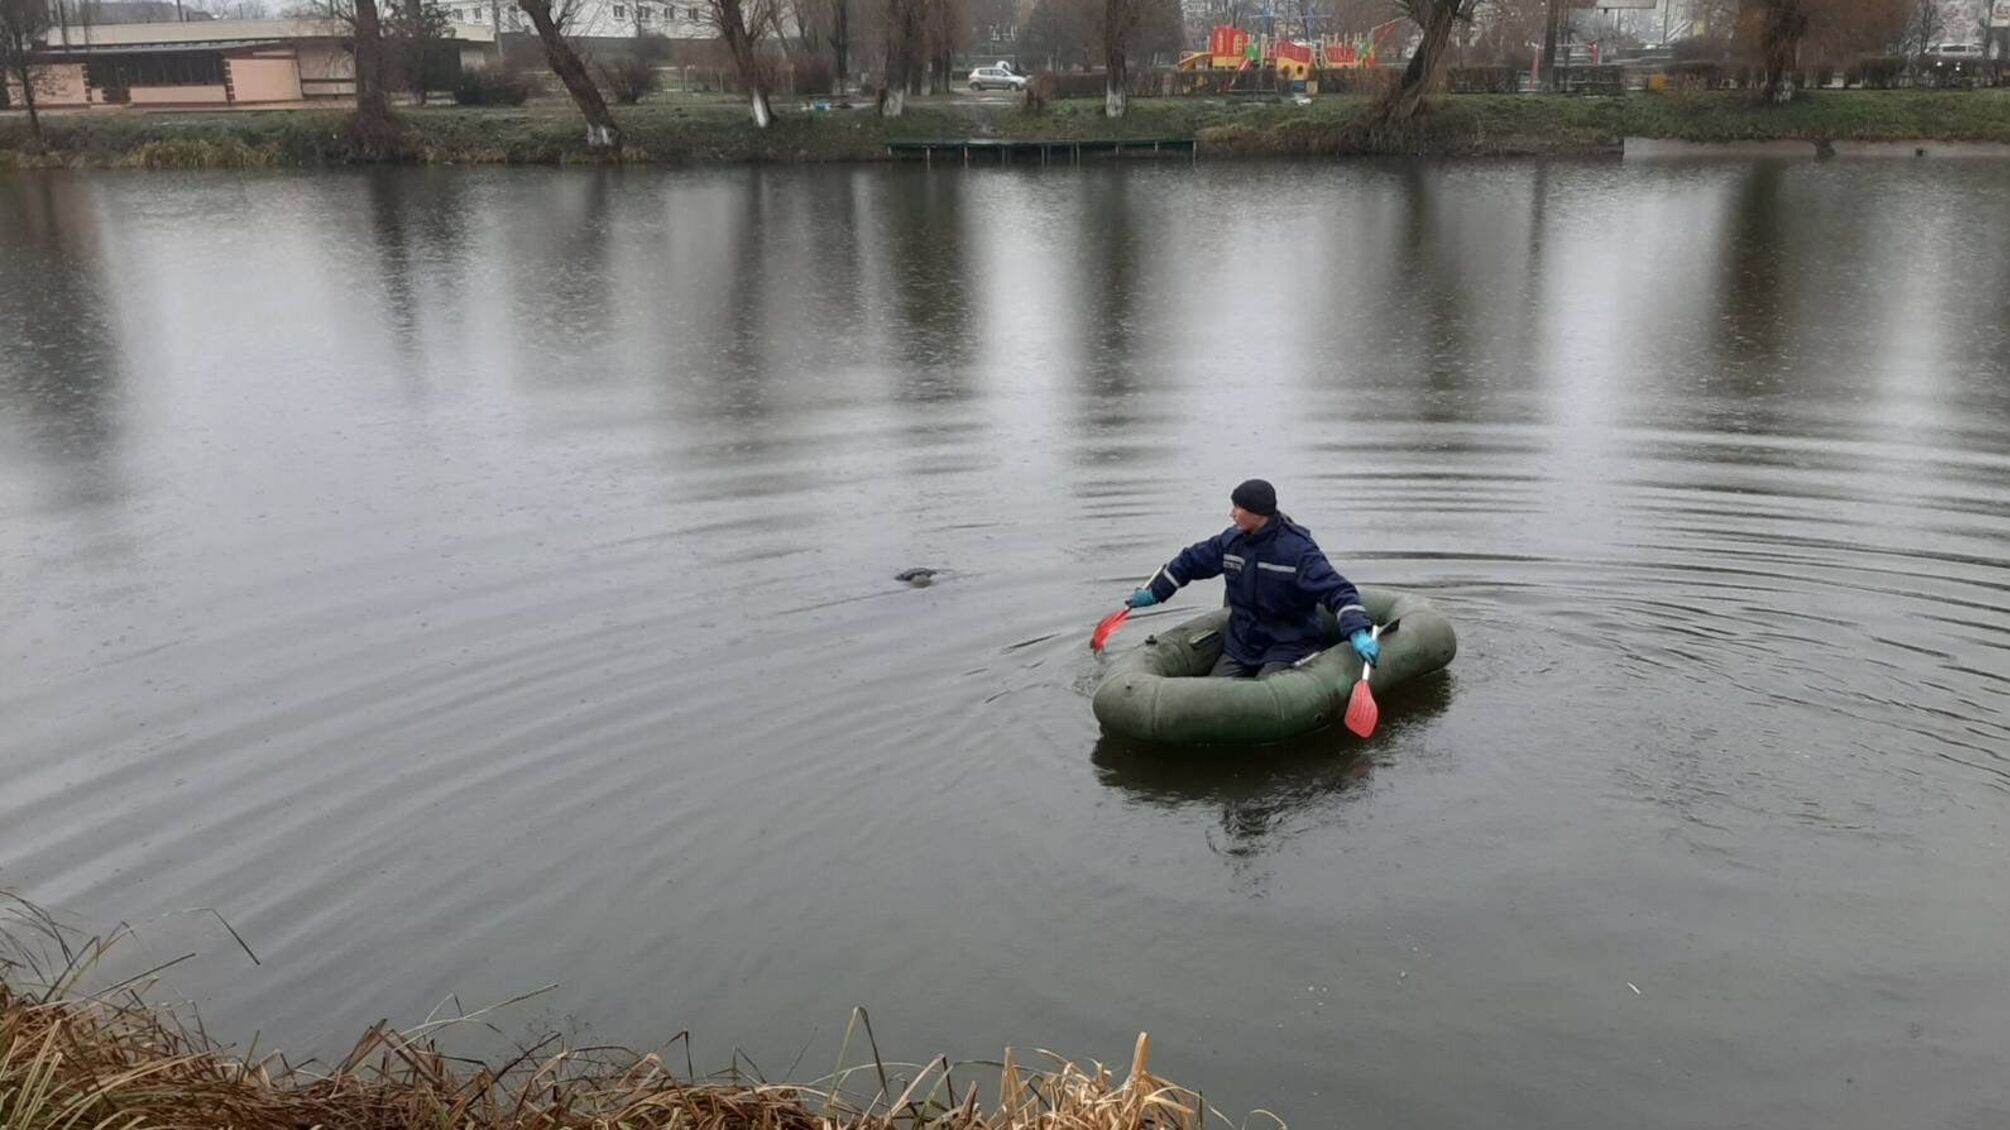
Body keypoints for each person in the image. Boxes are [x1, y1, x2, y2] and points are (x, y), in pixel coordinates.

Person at [1124, 479, 1377, 678]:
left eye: (1237, 508)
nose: (1231, 514)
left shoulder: (1298, 552)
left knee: (1268, 691)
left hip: (1289, 644)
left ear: (1257, 513)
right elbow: (1191, 561)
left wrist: (1357, 632)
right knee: (1214, 694)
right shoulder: (1231, 542)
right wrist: (1155, 592)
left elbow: (1338, 591)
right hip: (1242, 644)